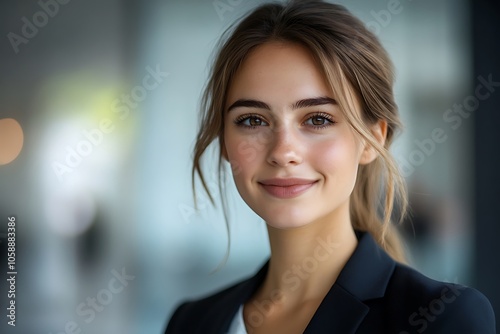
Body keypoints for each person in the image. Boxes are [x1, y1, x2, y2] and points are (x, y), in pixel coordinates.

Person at [165, 1, 496, 333]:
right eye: (252, 120)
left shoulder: (443, 318)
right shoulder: (191, 323)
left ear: (371, 140)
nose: (283, 152)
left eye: (317, 119)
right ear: (224, 140)